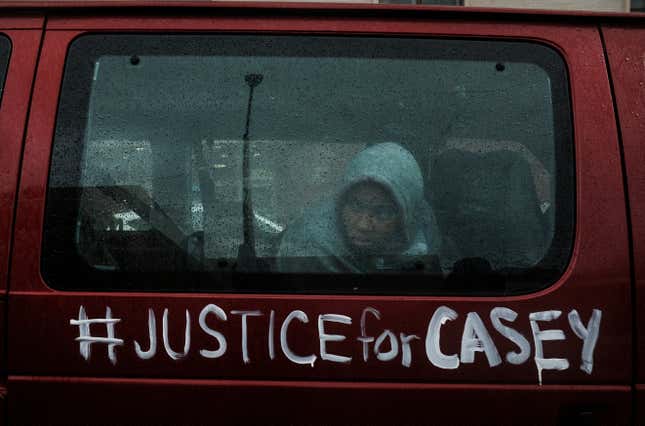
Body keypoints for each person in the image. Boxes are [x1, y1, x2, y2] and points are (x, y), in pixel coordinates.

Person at [277, 142, 440, 273]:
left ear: (405, 216)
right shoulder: (309, 250)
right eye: (355, 206)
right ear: (340, 202)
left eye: (382, 212)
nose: (363, 225)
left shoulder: (424, 234)